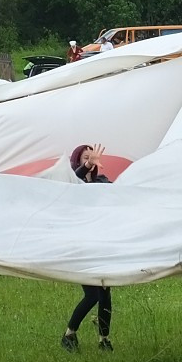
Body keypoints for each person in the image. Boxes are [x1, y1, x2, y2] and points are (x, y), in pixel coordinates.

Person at [62, 144, 115, 351]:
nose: (92, 159)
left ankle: (104, 340)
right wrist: (86, 166)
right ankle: (69, 334)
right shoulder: (74, 184)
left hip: (102, 244)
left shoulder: (102, 182)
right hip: (82, 246)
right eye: (86, 157)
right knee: (92, 294)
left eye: (93, 156)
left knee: (105, 294)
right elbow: (76, 179)